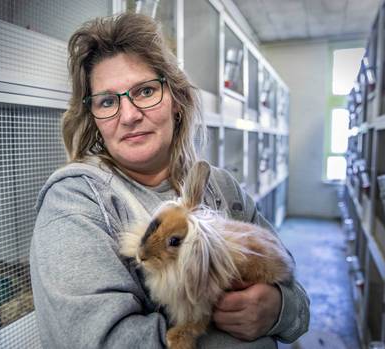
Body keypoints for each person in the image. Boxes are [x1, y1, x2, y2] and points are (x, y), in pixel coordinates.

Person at [30, 12, 309, 349]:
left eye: (145, 91)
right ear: (94, 119)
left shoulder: (221, 188)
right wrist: (202, 324)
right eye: (107, 101)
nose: (130, 116)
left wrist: (278, 309)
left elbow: (296, 297)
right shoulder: (75, 201)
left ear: (175, 99)